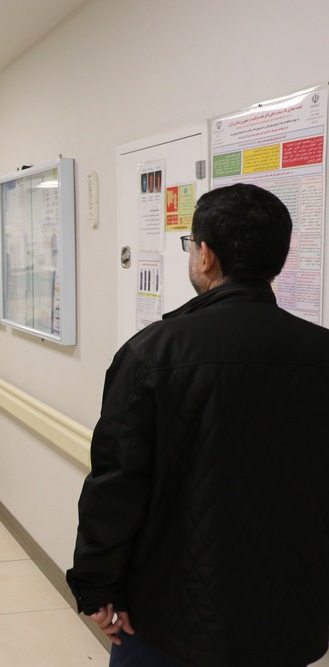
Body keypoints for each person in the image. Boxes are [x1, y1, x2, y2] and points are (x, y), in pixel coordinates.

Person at [67, 183, 329, 667]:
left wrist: (97, 586)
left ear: (205, 256)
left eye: (191, 245)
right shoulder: (321, 352)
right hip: (290, 613)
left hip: (170, 615)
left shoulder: (153, 353)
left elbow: (117, 486)